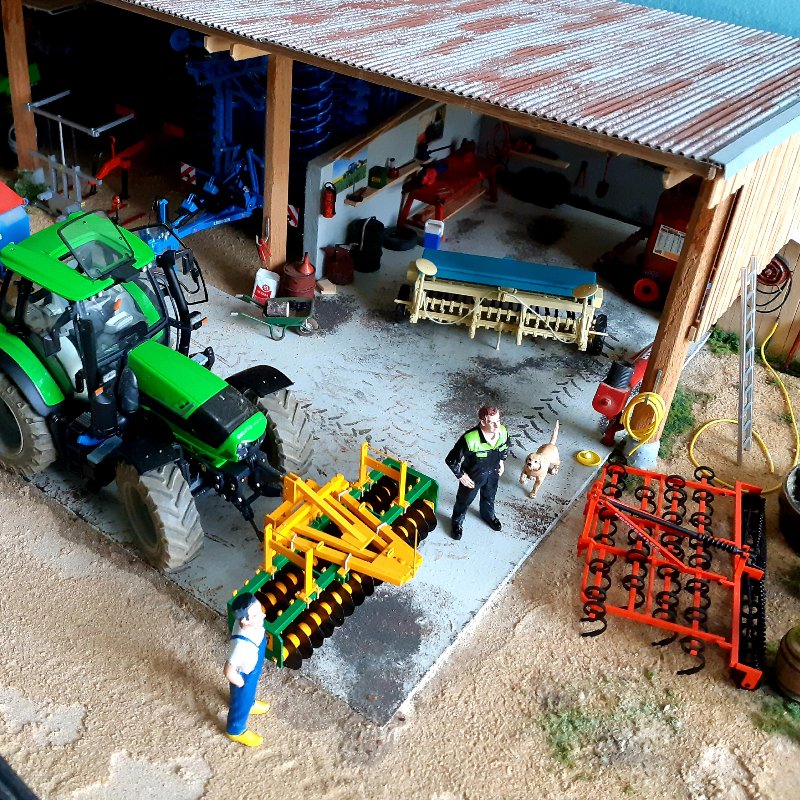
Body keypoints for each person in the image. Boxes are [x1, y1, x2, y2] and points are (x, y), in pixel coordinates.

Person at [445, 405, 509, 540]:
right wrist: (461, 475)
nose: (497, 426)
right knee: (464, 500)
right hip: (473, 477)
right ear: (483, 422)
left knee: (489, 497)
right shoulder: (470, 438)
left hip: (493, 473)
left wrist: (501, 462)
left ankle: (488, 515)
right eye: (492, 422)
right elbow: (451, 459)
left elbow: (505, 447)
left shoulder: (503, 432)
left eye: (498, 421)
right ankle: (457, 522)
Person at [223, 592, 271, 747]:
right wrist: (242, 684)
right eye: (256, 615)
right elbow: (228, 671)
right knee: (241, 700)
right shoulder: (241, 644)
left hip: (252, 669)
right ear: (244, 620)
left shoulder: (254, 626)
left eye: (260, 610)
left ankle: (249, 703)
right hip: (244, 675)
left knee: (247, 698)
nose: (263, 615)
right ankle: (235, 730)